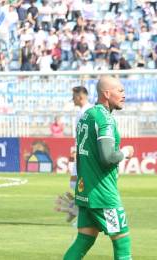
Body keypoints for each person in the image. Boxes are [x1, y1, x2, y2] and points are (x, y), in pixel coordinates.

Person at [63, 76, 134, 260]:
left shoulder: (86, 115)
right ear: (106, 93)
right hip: (103, 195)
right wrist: (126, 151)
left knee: (83, 241)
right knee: (122, 243)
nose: (124, 95)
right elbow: (108, 157)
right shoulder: (105, 120)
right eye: (120, 91)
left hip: (85, 190)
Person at [55, 86, 93, 223]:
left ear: (80, 96)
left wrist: (83, 151)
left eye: (74, 96)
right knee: (74, 183)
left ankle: (82, 212)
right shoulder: (81, 112)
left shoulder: (89, 111)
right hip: (79, 151)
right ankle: (79, 208)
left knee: (81, 183)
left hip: (85, 154)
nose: (72, 100)